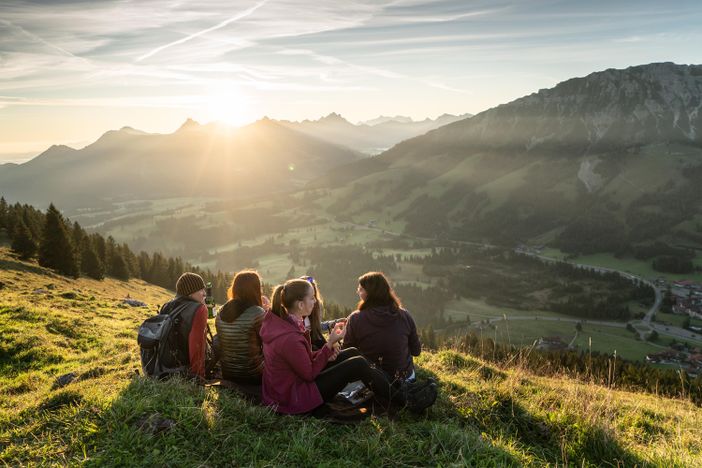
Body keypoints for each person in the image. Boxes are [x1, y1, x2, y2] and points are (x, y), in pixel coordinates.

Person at [259, 278, 397, 415]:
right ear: (300, 305)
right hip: (293, 397)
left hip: (287, 388)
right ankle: (401, 398)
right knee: (357, 364)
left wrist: (326, 354)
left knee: (352, 352)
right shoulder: (290, 338)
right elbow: (309, 374)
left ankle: (395, 386)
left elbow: (299, 359)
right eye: (312, 298)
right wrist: (329, 344)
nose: (315, 301)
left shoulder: (284, 323)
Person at [343, 271, 421, 382]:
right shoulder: (405, 315)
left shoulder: (355, 318)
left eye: (361, 289)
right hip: (405, 378)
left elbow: (348, 352)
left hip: (370, 381)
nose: (357, 291)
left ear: (370, 293)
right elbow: (416, 351)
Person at [215, 270, 268, 384]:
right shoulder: (257, 313)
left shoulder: (221, 312)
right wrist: (267, 312)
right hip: (253, 374)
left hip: (228, 373)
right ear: (255, 289)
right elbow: (268, 342)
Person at [158, 272, 209, 379]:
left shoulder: (166, 306)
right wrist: (199, 376)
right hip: (185, 368)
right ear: (190, 293)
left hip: (165, 366)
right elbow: (197, 346)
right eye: (201, 290)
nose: (204, 293)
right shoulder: (199, 309)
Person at [300, 275, 342, 350]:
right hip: (314, 350)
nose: (314, 301)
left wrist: (333, 323)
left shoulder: (316, 306)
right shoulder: (295, 317)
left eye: (313, 297)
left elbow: (317, 327)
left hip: (318, 345)